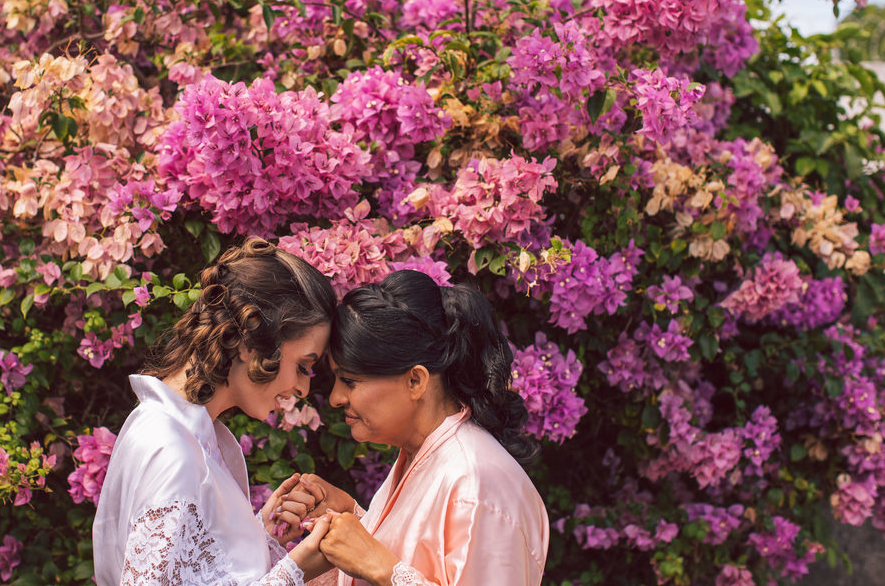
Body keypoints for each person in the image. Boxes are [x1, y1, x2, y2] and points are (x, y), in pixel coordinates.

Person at [93, 238, 337, 586]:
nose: (303, 388)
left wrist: (257, 538)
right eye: (302, 365)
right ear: (250, 343)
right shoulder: (174, 454)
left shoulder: (169, 427)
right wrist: (295, 570)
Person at [299, 269, 549, 586]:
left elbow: (387, 567)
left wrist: (381, 568)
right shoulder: (424, 455)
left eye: (349, 381)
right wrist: (354, 521)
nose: (335, 398)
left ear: (415, 381)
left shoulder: (478, 484)